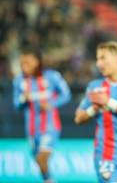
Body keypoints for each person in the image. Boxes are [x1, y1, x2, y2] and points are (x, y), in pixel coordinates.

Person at [74, 41, 117, 183]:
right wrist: (94, 109)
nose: (98, 63)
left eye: (103, 57)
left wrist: (108, 102)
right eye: (98, 59)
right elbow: (78, 118)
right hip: (105, 156)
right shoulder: (95, 86)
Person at [13, 48, 71, 183]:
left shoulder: (52, 76)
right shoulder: (19, 81)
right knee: (40, 163)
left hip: (50, 127)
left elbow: (66, 94)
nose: (24, 66)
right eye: (22, 63)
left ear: (37, 62)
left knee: (41, 158)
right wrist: (23, 99)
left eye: (27, 62)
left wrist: (52, 103)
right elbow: (16, 105)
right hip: (32, 130)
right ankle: (49, 180)